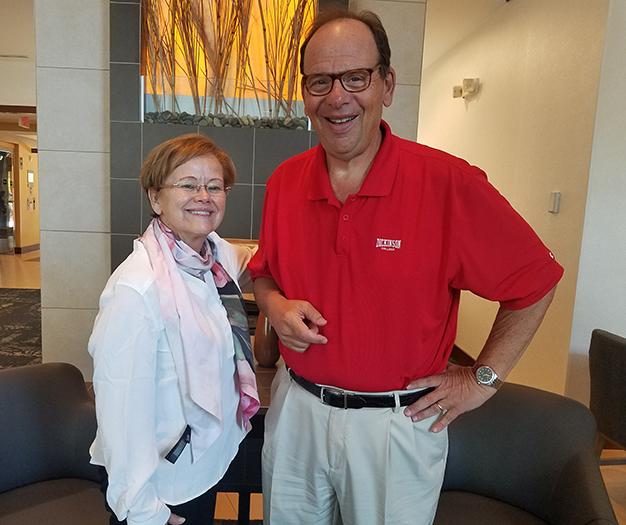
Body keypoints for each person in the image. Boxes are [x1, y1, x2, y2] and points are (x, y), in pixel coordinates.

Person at [248, 7, 563, 525]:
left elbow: (537, 281)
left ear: (386, 84)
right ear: (305, 94)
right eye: (320, 81)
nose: (337, 97)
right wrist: (273, 303)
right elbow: (264, 270)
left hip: (395, 427)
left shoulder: (447, 183)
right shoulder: (285, 180)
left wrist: (484, 378)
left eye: (356, 77)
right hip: (296, 408)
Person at [88, 134, 260, 525]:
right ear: (155, 198)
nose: (204, 196)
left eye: (214, 186)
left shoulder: (212, 258)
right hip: (158, 489)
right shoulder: (138, 289)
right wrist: (144, 510)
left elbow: (254, 257)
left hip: (200, 468)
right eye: (187, 185)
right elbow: (120, 412)